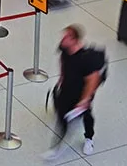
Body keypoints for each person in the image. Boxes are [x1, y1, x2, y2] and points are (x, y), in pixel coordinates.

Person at [43, 25, 105, 160]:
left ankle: (89, 138)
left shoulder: (86, 59)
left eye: (66, 37)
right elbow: (62, 61)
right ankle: (56, 146)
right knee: (62, 115)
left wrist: (85, 100)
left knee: (86, 116)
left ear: (75, 40)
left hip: (81, 93)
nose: (63, 39)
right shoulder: (65, 49)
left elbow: (93, 80)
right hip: (67, 88)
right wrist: (61, 77)